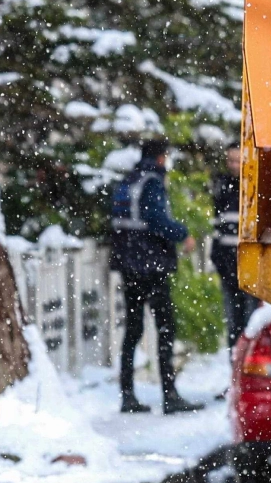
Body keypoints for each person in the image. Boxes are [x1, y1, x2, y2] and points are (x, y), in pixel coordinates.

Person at [110, 138, 204, 415]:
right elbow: (156, 219)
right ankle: (169, 395)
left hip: (129, 264)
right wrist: (182, 234)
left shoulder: (130, 180)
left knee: (133, 329)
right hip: (150, 265)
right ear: (162, 157)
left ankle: (127, 395)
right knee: (165, 328)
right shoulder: (152, 182)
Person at [210, 146, 258, 349]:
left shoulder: (253, 186)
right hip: (228, 265)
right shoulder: (222, 187)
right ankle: (235, 362)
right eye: (230, 160)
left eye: (238, 160)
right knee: (233, 321)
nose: (234, 165)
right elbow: (217, 228)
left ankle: (246, 360)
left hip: (249, 265)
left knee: (250, 321)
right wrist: (218, 260)